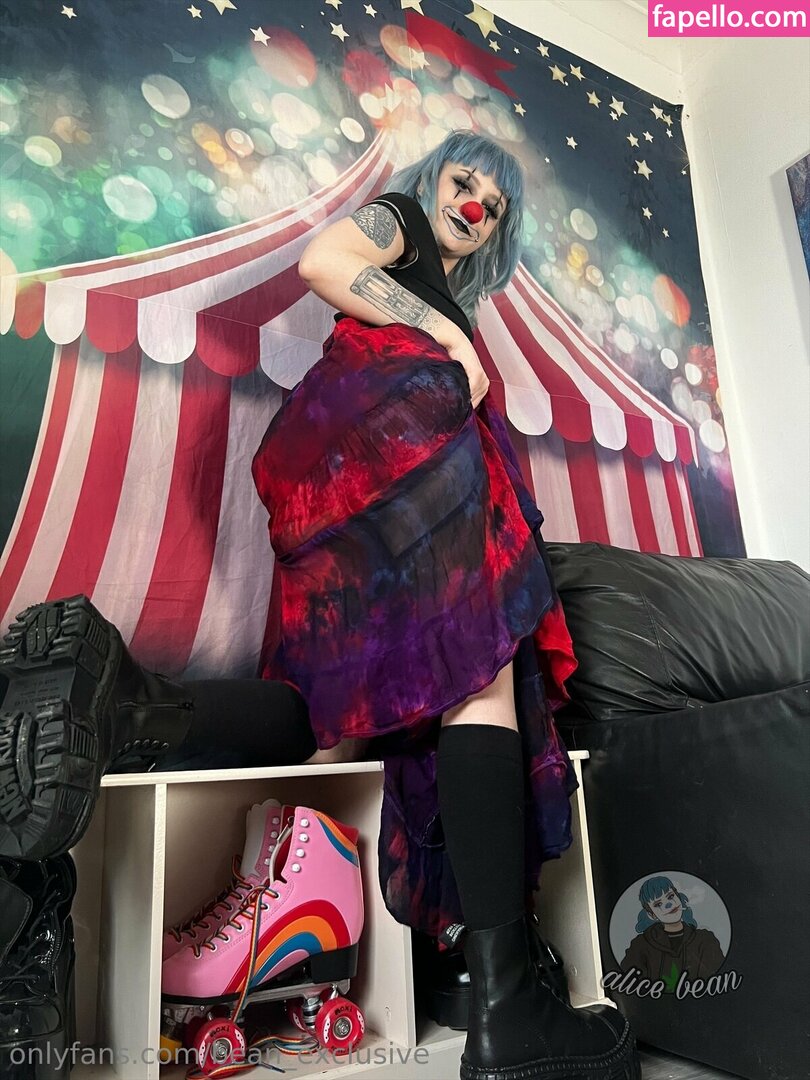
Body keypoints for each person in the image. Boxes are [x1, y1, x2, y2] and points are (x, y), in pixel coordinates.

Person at [0, 130, 639, 1079]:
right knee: (480, 674)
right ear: (433, 179)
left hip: (335, 467)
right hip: (397, 440)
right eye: (466, 181)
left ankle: (125, 705)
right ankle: (511, 1011)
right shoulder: (404, 221)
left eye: (495, 207)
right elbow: (325, 260)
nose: (475, 207)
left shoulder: (434, 271)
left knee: (335, 714)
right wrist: (449, 338)